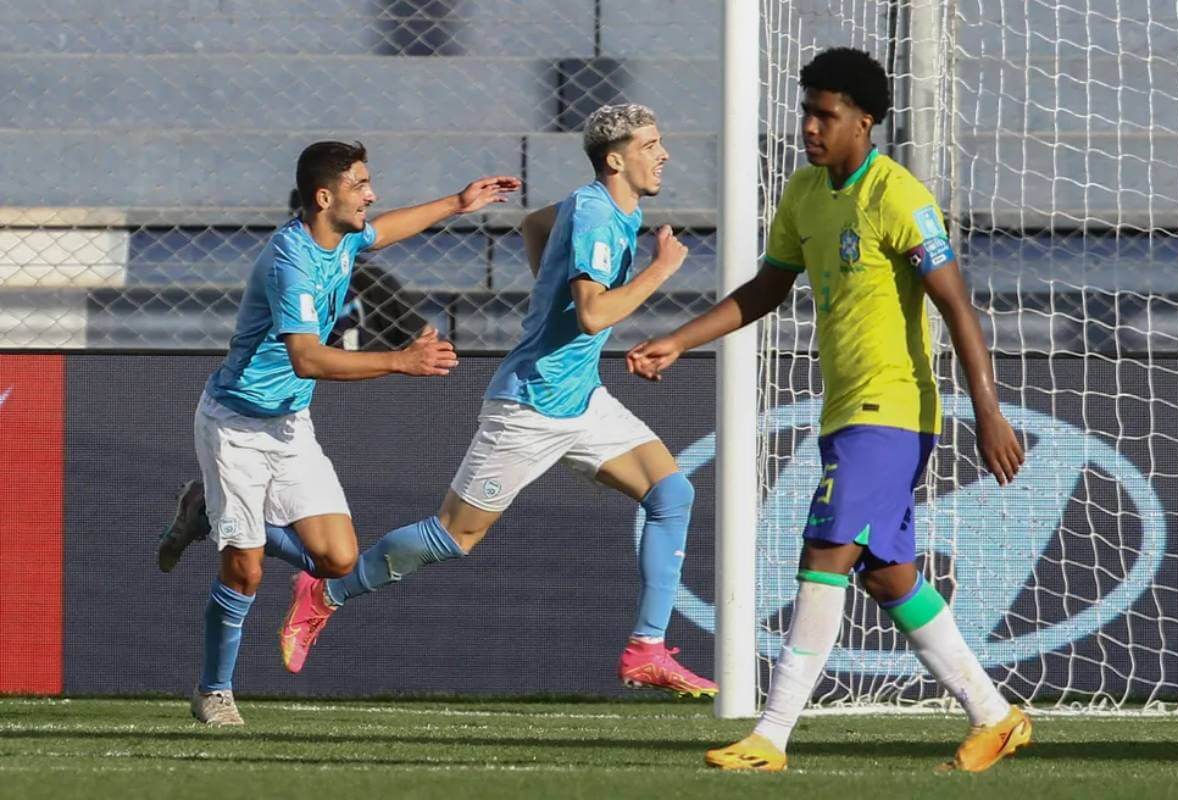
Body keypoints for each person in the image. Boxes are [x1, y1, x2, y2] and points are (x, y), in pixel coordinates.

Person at [626, 48, 1031, 773]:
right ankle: (995, 716)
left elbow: (957, 307)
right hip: (845, 410)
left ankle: (770, 737)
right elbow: (766, 289)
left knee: (824, 555)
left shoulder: (900, 197)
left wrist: (989, 412)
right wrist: (678, 340)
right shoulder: (806, 194)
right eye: (807, 112)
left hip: (894, 408)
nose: (811, 127)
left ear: (864, 122)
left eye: (826, 115)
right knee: (885, 574)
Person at [276, 104, 718, 698]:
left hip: (581, 400)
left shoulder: (604, 207)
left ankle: (647, 649)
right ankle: (325, 592)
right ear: (617, 159)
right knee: (454, 537)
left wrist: (549, 293)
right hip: (530, 405)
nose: (664, 153)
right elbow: (591, 315)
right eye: (652, 144)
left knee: (672, 492)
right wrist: (661, 269)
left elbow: (535, 223)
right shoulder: (596, 213)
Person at [157, 140, 519, 725]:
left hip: (289, 424)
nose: (372, 196)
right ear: (325, 197)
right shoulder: (289, 261)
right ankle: (213, 691)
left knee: (337, 560)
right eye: (361, 185)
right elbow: (306, 358)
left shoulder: (344, 237)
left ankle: (206, 514)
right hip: (235, 424)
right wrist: (400, 361)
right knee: (244, 569)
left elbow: (387, 230)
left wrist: (458, 202)